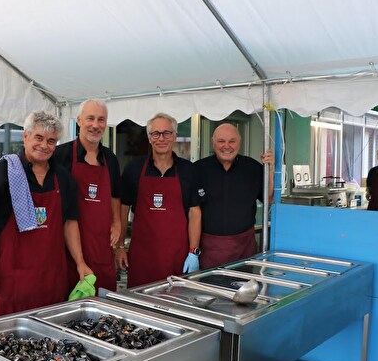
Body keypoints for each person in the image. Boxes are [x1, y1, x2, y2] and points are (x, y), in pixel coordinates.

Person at [0, 111, 92, 317]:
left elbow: (70, 223)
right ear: (25, 136)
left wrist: (80, 262)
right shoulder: (4, 172)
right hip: (11, 282)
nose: (44, 145)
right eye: (39, 137)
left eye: (51, 141)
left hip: (51, 280)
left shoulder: (63, 177)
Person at [115, 113, 202, 288]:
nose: (161, 138)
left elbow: (195, 213)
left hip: (178, 258)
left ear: (175, 136)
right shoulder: (133, 169)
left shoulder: (188, 170)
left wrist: (194, 252)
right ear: (149, 138)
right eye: (156, 134)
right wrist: (120, 247)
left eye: (167, 133)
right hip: (142, 258)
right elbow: (123, 209)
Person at [53, 99, 121, 293]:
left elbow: (115, 195)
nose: (95, 125)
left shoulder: (110, 158)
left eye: (101, 120)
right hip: (68, 247)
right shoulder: (60, 155)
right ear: (79, 120)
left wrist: (117, 222)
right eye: (90, 119)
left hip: (101, 246)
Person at [195, 123, 274, 269]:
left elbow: (268, 199)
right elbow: (190, 212)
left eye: (232, 141)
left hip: (244, 249)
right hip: (208, 249)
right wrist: (192, 251)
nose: (227, 146)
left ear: (240, 143)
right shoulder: (198, 169)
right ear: (213, 143)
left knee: (244, 284)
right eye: (221, 141)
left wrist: (270, 170)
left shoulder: (253, 168)